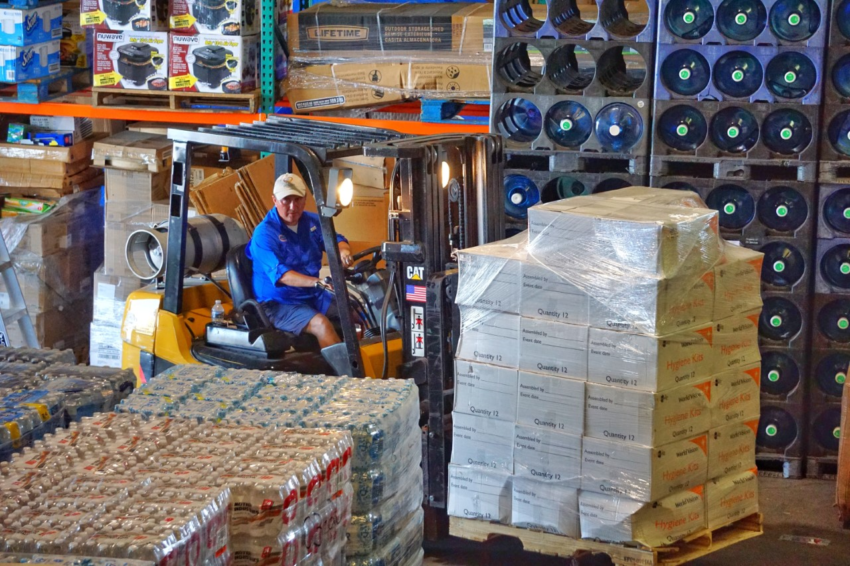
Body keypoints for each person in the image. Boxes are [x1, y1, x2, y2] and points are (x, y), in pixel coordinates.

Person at [247, 173, 353, 348]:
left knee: (355, 311)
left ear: (305, 199)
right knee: (321, 325)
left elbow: (335, 239)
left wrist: (343, 251)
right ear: (274, 200)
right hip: (279, 302)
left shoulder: (312, 221)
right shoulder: (264, 233)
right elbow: (282, 276)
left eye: (297, 199)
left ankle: (363, 362)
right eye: (286, 200)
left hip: (310, 295)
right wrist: (317, 282)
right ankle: (344, 375)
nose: (292, 206)